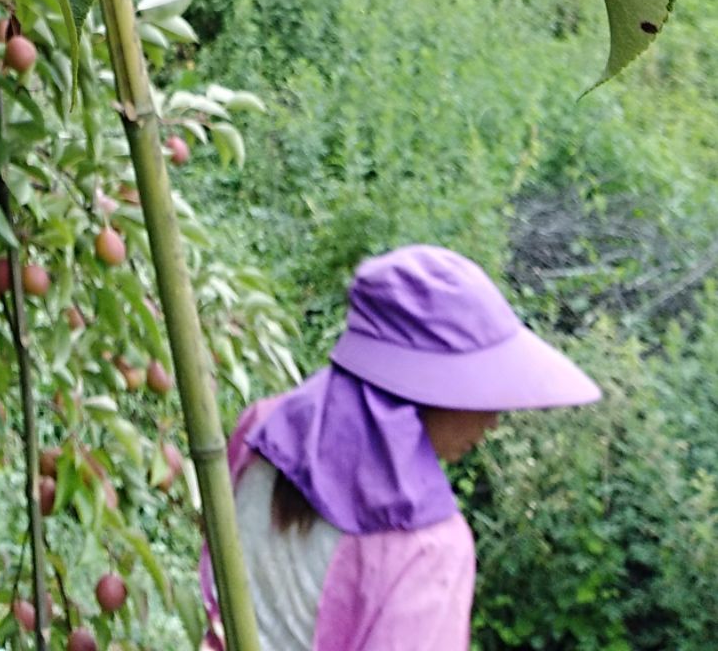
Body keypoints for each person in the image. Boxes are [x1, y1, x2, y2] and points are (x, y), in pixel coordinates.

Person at [202, 244, 600, 650]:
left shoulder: (261, 428)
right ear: (433, 386)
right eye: (485, 394)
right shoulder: (427, 545)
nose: (493, 421)